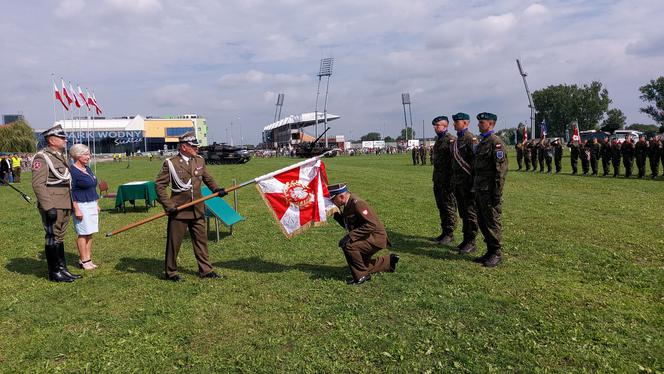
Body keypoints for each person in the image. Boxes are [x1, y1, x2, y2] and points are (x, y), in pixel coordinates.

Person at [155, 131, 227, 281]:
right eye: (193, 146)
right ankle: (171, 272)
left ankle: (206, 270)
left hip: (197, 209)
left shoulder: (199, 160)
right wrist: (169, 205)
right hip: (179, 210)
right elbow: (159, 186)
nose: (197, 148)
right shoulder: (171, 163)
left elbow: (207, 177)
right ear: (184, 147)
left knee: (202, 241)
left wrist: (216, 189)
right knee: (174, 243)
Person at [31, 125, 81, 282]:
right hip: (53, 203)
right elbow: (38, 184)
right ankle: (54, 272)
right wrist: (48, 206)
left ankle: (62, 269)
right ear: (51, 140)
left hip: (64, 202)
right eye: (62, 137)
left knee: (59, 237)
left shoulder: (59, 155)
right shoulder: (42, 157)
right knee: (52, 236)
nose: (65, 140)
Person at [328, 183, 399, 285]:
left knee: (349, 246)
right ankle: (389, 262)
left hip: (376, 238)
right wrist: (336, 214)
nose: (332, 202)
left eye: (333, 199)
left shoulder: (358, 203)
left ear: (341, 197)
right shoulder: (348, 203)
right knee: (362, 265)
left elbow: (371, 225)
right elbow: (349, 225)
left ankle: (362, 276)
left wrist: (350, 236)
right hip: (367, 236)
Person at [472, 113, 507, 267]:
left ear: (491, 124)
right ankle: (489, 251)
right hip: (479, 188)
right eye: (479, 122)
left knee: (492, 221)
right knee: (482, 221)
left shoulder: (496, 142)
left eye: (482, 122)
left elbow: (500, 170)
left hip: (489, 190)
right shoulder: (482, 142)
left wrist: (497, 192)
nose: (478, 124)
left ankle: (496, 253)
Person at [451, 112, 478, 254]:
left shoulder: (470, 139)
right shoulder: (457, 140)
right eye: (454, 122)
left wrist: (474, 184)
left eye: (457, 122)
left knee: (470, 213)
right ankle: (466, 239)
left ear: (466, 123)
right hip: (458, 183)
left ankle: (471, 242)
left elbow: (475, 162)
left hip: (468, 183)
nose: (454, 124)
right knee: (463, 212)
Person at [69, 144, 100, 270]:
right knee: (83, 233)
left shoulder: (87, 168)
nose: (89, 156)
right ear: (77, 155)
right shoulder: (72, 171)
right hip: (81, 205)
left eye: (89, 154)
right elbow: (70, 191)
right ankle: (83, 260)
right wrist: (76, 208)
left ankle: (88, 258)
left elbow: (92, 186)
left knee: (90, 232)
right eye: (86, 154)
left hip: (91, 203)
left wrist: (96, 204)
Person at [430, 116, 457, 245]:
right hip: (438, 180)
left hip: (448, 181)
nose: (435, 127)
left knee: (448, 206)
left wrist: (452, 180)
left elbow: (455, 161)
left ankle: (450, 233)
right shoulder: (439, 141)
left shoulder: (451, 140)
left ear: (445, 126)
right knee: (441, 206)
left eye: (438, 125)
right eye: (434, 125)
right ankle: (445, 231)